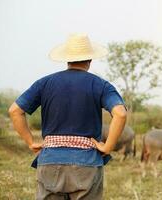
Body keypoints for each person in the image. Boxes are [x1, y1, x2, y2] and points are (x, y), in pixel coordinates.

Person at [8, 33, 127, 200]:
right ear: (90, 60)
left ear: (67, 59)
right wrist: (107, 147)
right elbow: (120, 113)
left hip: (50, 160)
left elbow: (15, 111)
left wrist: (30, 142)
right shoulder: (101, 85)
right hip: (87, 162)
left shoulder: (45, 83)